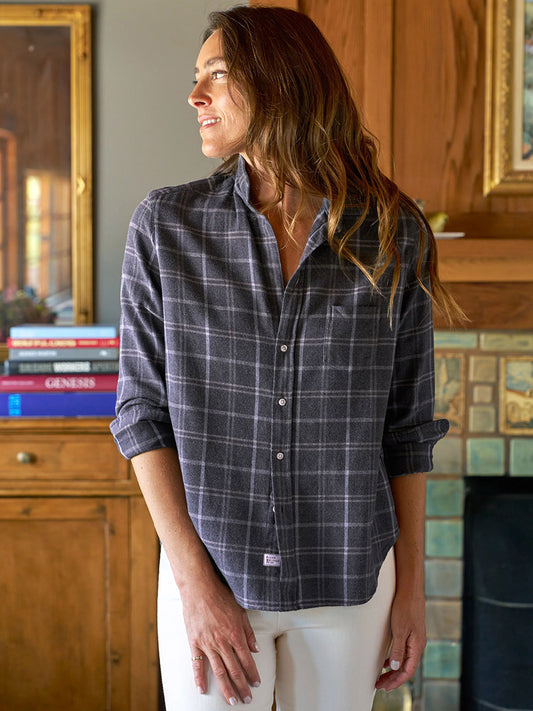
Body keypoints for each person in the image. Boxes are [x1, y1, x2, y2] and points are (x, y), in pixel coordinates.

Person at [110, 5, 462, 710]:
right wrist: (193, 584)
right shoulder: (166, 227)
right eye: (195, 77)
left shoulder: (391, 233)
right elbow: (141, 415)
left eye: (215, 74)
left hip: (348, 584)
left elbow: (406, 429)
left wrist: (412, 591)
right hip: (212, 576)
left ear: (279, 81)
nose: (194, 96)